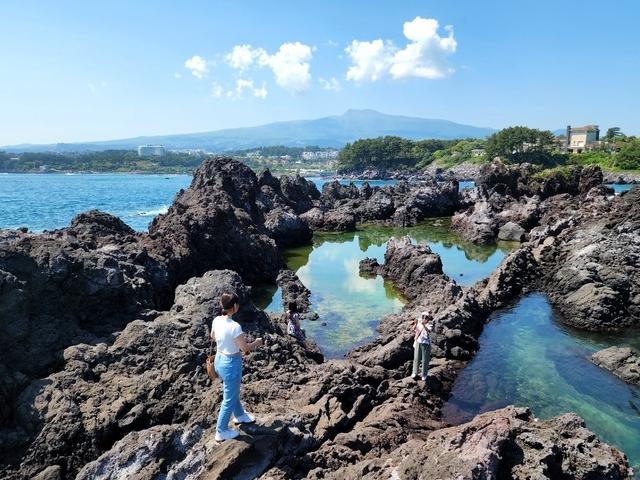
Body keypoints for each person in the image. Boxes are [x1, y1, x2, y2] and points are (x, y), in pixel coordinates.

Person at [211, 292, 263, 441]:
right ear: (234, 306)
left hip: (219, 359)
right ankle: (221, 431)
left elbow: (212, 336)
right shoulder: (235, 327)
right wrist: (257, 343)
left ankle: (240, 415)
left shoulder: (216, 320)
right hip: (231, 363)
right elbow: (245, 348)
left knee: (231, 391)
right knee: (228, 399)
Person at [412, 311, 433, 381]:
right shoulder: (419, 322)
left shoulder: (430, 324)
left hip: (426, 343)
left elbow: (429, 331)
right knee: (416, 358)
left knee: (425, 360)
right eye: (423, 316)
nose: (424, 318)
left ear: (428, 318)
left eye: (426, 317)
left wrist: (424, 325)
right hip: (418, 341)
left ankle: (424, 374)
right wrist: (415, 323)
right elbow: (414, 329)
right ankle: (415, 372)